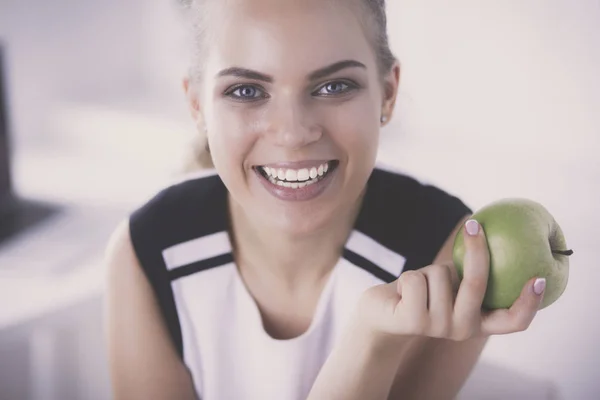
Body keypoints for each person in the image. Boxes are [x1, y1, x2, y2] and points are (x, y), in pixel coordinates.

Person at [103, 0, 547, 399]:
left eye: (334, 86)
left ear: (387, 94)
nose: (294, 133)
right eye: (246, 91)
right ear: (197, 105)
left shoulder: (448, 257)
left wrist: (373, 340)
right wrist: (368, 342)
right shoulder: (144, 252)